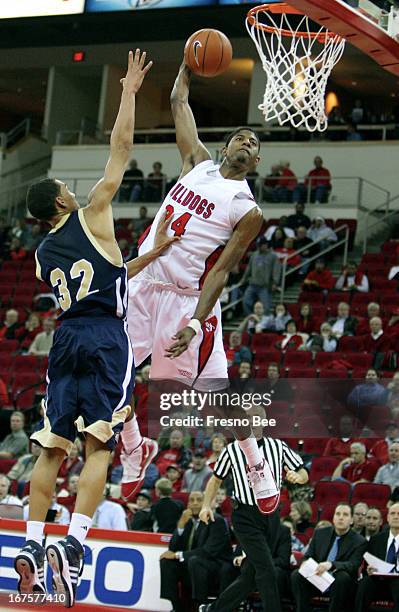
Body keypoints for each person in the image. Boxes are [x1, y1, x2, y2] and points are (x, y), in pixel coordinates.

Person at [12, 50, 176, 604]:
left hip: (65, 339)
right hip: (107, 337)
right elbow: (121, 150)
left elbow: (109, 274)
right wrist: (128, 91)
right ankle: (76, 544)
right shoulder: (94, 211)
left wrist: (152, 256)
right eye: (66, 185)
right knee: (97, 444)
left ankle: (33, 544)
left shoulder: (41, 254)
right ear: (62, 199)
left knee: (49, 450)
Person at [126, 56, 283, 514]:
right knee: (106, 372)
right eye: (239, 136)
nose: (245, 141)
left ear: (256, 160)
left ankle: (254, 461)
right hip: (142, 283)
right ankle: (135, 448)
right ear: (225, 146)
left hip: (186, 301)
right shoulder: (196, 164)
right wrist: (189, 64)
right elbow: (178, 100)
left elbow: (221, 271)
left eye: (252, 142)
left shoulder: (246, 209)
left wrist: (196, 324)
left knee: (214, 396)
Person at [199, 404, 308, 612]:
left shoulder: (278, 446)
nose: (254, 422)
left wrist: (298, 477)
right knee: (267, 569)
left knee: (251, 574)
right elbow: (215, 481)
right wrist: (206, 505)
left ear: (265, 422)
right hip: (244, 515)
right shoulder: (231, 450)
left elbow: (302, 471)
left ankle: (214, 609)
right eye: (250, 418)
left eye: (258, 417)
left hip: (271, 516)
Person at [160, 490, 232, 612]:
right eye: (191, 500)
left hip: (216, 566)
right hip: (194, 564)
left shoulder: (216, 520)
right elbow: (172, 548)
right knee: (167, 562)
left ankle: (200, 605)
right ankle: (176, 606)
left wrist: (178, 555)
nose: (194, 503)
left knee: (195, 561)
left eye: (199, 500)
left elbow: (209, 551)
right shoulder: (188, 521)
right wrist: (180, 526)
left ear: (206, 504)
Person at [291, 503, 366, 612]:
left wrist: (331, 565)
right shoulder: (320, 533)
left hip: (340, 583)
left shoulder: (359, 541)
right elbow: (308, 556)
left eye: (345, 515)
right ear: (333, 518)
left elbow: (353, 565)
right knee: (297, 574)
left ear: (351, 520)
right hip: (318, 577)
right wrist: (305, 563)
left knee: (342, 576)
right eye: (338, 514)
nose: (340, 517)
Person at [355, 503, 399, 611]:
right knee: (365, 583)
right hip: (378, 581)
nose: (396, 516)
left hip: (397, 582)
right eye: (392, 513)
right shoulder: (376, 540)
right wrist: (369, 569)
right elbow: (366, 567)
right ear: (388, 518)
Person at [241, 237, 281, 315]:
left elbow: (276, 270)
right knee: (246, 301)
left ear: (266, 245)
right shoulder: (254, 255)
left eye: (260, 245)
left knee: (266, 306)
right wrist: (244, 279)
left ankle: (263, 322)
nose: (258, 247)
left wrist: (275, 282)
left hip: (265, 286)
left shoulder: (273, 256)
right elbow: (249, 268)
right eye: (258, 245)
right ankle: (251, 319)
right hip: (253, 284)